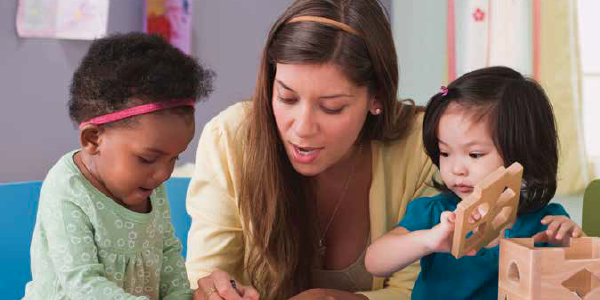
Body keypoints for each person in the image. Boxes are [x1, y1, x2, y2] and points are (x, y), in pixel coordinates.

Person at [185, 0, 438, 299]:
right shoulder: (229, 138)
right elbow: (208, 276)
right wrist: (214, 290)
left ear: (376, 97)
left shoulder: (425, 146)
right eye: (287, 98)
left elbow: (425, 290)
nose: (303, 127)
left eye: (331, 107)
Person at [364, 66, 584, 300]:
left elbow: (576, 285)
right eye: (445, 153)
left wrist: (569, 243)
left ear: (523, 151)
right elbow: (375, 262)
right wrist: (429, 240)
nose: (456, 169)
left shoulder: (545, 222)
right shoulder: (434, 213)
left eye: (475, 155)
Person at [23, 32, 214, 300]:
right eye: (147, 159)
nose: (164, 174)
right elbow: (82, 284)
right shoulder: (67, 189)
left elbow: (167, 250)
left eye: (175, 158)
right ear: (93, 139)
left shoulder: (148, 184)